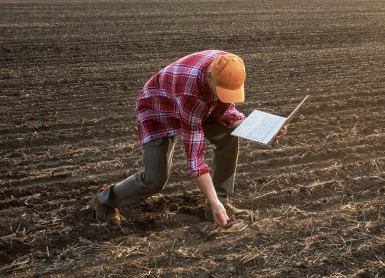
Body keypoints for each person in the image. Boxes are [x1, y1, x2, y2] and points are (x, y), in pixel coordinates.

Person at [89, 50, 286, 228]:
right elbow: (195, 160)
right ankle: (104, 200)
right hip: (158, 109)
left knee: (228, 136)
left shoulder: (229, 67)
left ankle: (218, 206)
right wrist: (212, 198)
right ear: (209, 78)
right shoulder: (190, 93)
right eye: (222, 93)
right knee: (155, 179)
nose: (226, 98)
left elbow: (229, 115)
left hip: (198, 106)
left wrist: (266, 131)